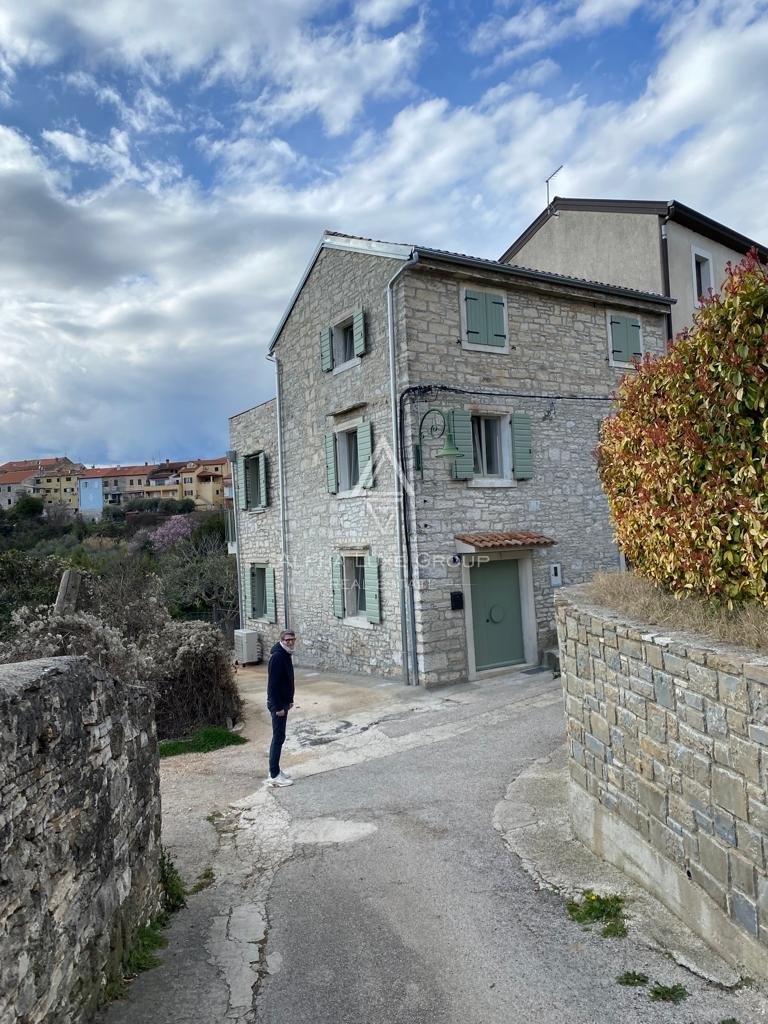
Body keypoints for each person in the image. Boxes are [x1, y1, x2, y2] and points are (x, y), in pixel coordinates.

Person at [266, 629, 296, 787]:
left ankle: (275, 770)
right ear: (282, 640)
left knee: (280, 737)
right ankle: (274, 775)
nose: (290, 642)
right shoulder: (278, 657)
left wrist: (289, 700)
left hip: (283, 702)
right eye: (287, 640)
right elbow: (273, 685)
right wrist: (278, 706)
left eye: (292, 639)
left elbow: (288, 680)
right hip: (277, 705)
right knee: (278, 739)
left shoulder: (286, 654)